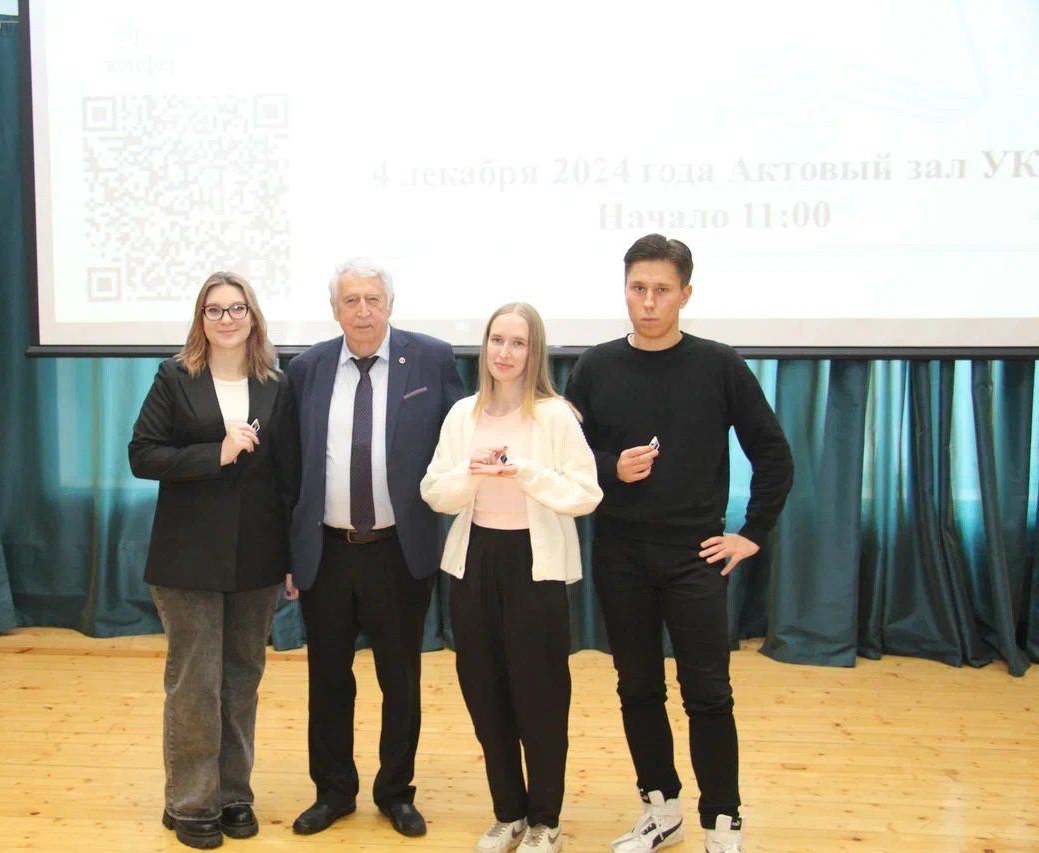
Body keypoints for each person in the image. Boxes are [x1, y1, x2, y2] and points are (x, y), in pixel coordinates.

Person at [565, 235, 794, 853]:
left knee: (708, 695)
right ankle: (660, 808)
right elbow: (567, 455)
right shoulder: (595, 367)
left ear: (685, 295)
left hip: (696, 556)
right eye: (637, 288)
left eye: (662, 290)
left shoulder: (719, 364)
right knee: (637, 687)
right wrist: (612, 467)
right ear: (624, 291)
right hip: (620, 554)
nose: (648, 302)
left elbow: (773, 453)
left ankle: (723, 821)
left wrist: (751, 534)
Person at [285, 257, 465, 838]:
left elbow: (461, 437)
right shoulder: (306, 368)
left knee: (400, 680)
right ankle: (334, 792)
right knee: (328, 680)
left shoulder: (432, 358)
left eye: (372, 299)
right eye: (350, 300)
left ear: (390, 303)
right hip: (327, 550)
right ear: (334, 309)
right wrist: (288, 551)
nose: (362, 311)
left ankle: (395, 792)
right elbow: (290, 466)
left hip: (399, 550)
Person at [421, 303, 602, 853]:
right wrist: (472, 473)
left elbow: (586, 493)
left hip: (535, 567)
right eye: (496, 340)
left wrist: (525, 471)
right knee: (485, 693)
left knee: (540, 697)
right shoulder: (462, 415)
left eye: (518, 343)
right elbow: (435, 492)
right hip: (475, 562)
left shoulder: (555, 416)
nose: (504, 352)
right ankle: (509, 813)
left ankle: (546, 821)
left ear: (534, 351)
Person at [128, 271, 300, 850]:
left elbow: (289, 476)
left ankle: (232, 794)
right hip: (187, 558)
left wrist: (293, 557)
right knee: (195, 684)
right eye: (215, 309)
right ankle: (191, 801)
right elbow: (142, 455)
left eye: (237, 308)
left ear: (253, 317)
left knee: (242, 681)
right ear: (201, 320)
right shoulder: (175, 377)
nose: (227, 319)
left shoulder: (277, 384)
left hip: (257, 557)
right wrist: (216, 453)